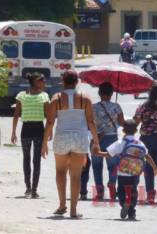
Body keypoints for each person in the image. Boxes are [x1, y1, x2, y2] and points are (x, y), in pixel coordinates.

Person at [41, 70, 100, 219]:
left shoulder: (56, 98)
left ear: (63, 82)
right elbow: (91, 122)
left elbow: (49, 122)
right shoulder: (85, 98)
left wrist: (44, 143)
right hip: (80, 139)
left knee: (60, 172)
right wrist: (96, 142)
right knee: (76, 175)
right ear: (76, 82)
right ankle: (73, 210)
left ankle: (62, 205)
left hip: (62, 138)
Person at [93, 119, 157, 220]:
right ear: (136, 131)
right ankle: (132, 212)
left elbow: (108, 154)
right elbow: (147, 156)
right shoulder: (140, 143)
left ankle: (124, 203)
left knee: (121, 191)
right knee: (133, 191)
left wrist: (97, 153)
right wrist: (155, 168)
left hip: (123, 173)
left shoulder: (120, 142)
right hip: (135, 173)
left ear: (123, 130)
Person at [11, 72, 49, 199]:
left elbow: (49, 116)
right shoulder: (21, 95)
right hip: (27, 129)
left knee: (36, 160)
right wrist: (13, 132)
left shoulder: (45, 96)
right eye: (42, 80)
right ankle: (28, 187)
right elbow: (16, 114)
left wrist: (50, 131)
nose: (44, 82)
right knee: (27, 159)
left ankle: (34, 189)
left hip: (38, 129)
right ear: (35, 82)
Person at [92, 82, 125, 200]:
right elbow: (122, 123)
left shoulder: (92, 107)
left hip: (97, 139)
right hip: (112, 138)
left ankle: (100, 191)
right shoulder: (116, 106)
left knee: (96, 166)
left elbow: (88, 124)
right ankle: (112, 182)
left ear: (99, 93)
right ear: (111, 94)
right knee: (113, 166)